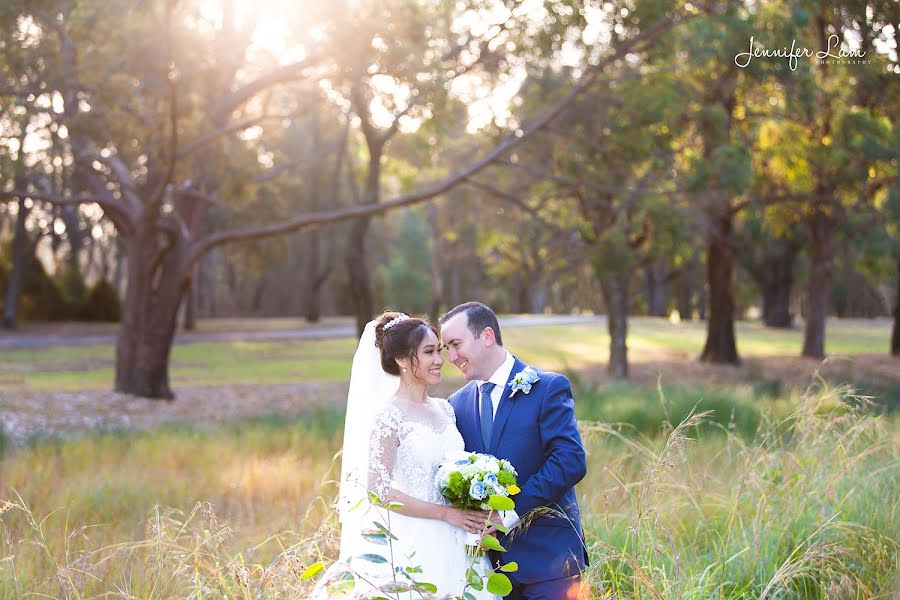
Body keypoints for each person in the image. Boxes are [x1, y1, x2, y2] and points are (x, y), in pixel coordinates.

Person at [312, 311, 497, 599]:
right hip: (411, 539)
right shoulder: (389, 416)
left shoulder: (445, 410)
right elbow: (379, 491)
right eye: (428, 352)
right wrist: (445, 514)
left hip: (458, 538)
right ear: (401, 360)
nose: (439, 360)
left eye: (439, 350)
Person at [440, 302, 588, 600]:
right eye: (446, 349)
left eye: (456, 344)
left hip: (552, 564)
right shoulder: (456, 405)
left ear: (487, 336)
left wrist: (508, 512)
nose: (452, 357)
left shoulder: (547, 387)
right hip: (489, 573)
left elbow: (570, 460)